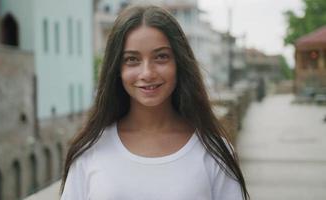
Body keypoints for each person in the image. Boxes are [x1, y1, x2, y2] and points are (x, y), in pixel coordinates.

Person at [60, 5, 249, 200]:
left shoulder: (214, 151)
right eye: (132, 59)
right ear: (117, 68)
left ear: (179, 63)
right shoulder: (91, 149)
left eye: (161, 57)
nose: (147, 73)